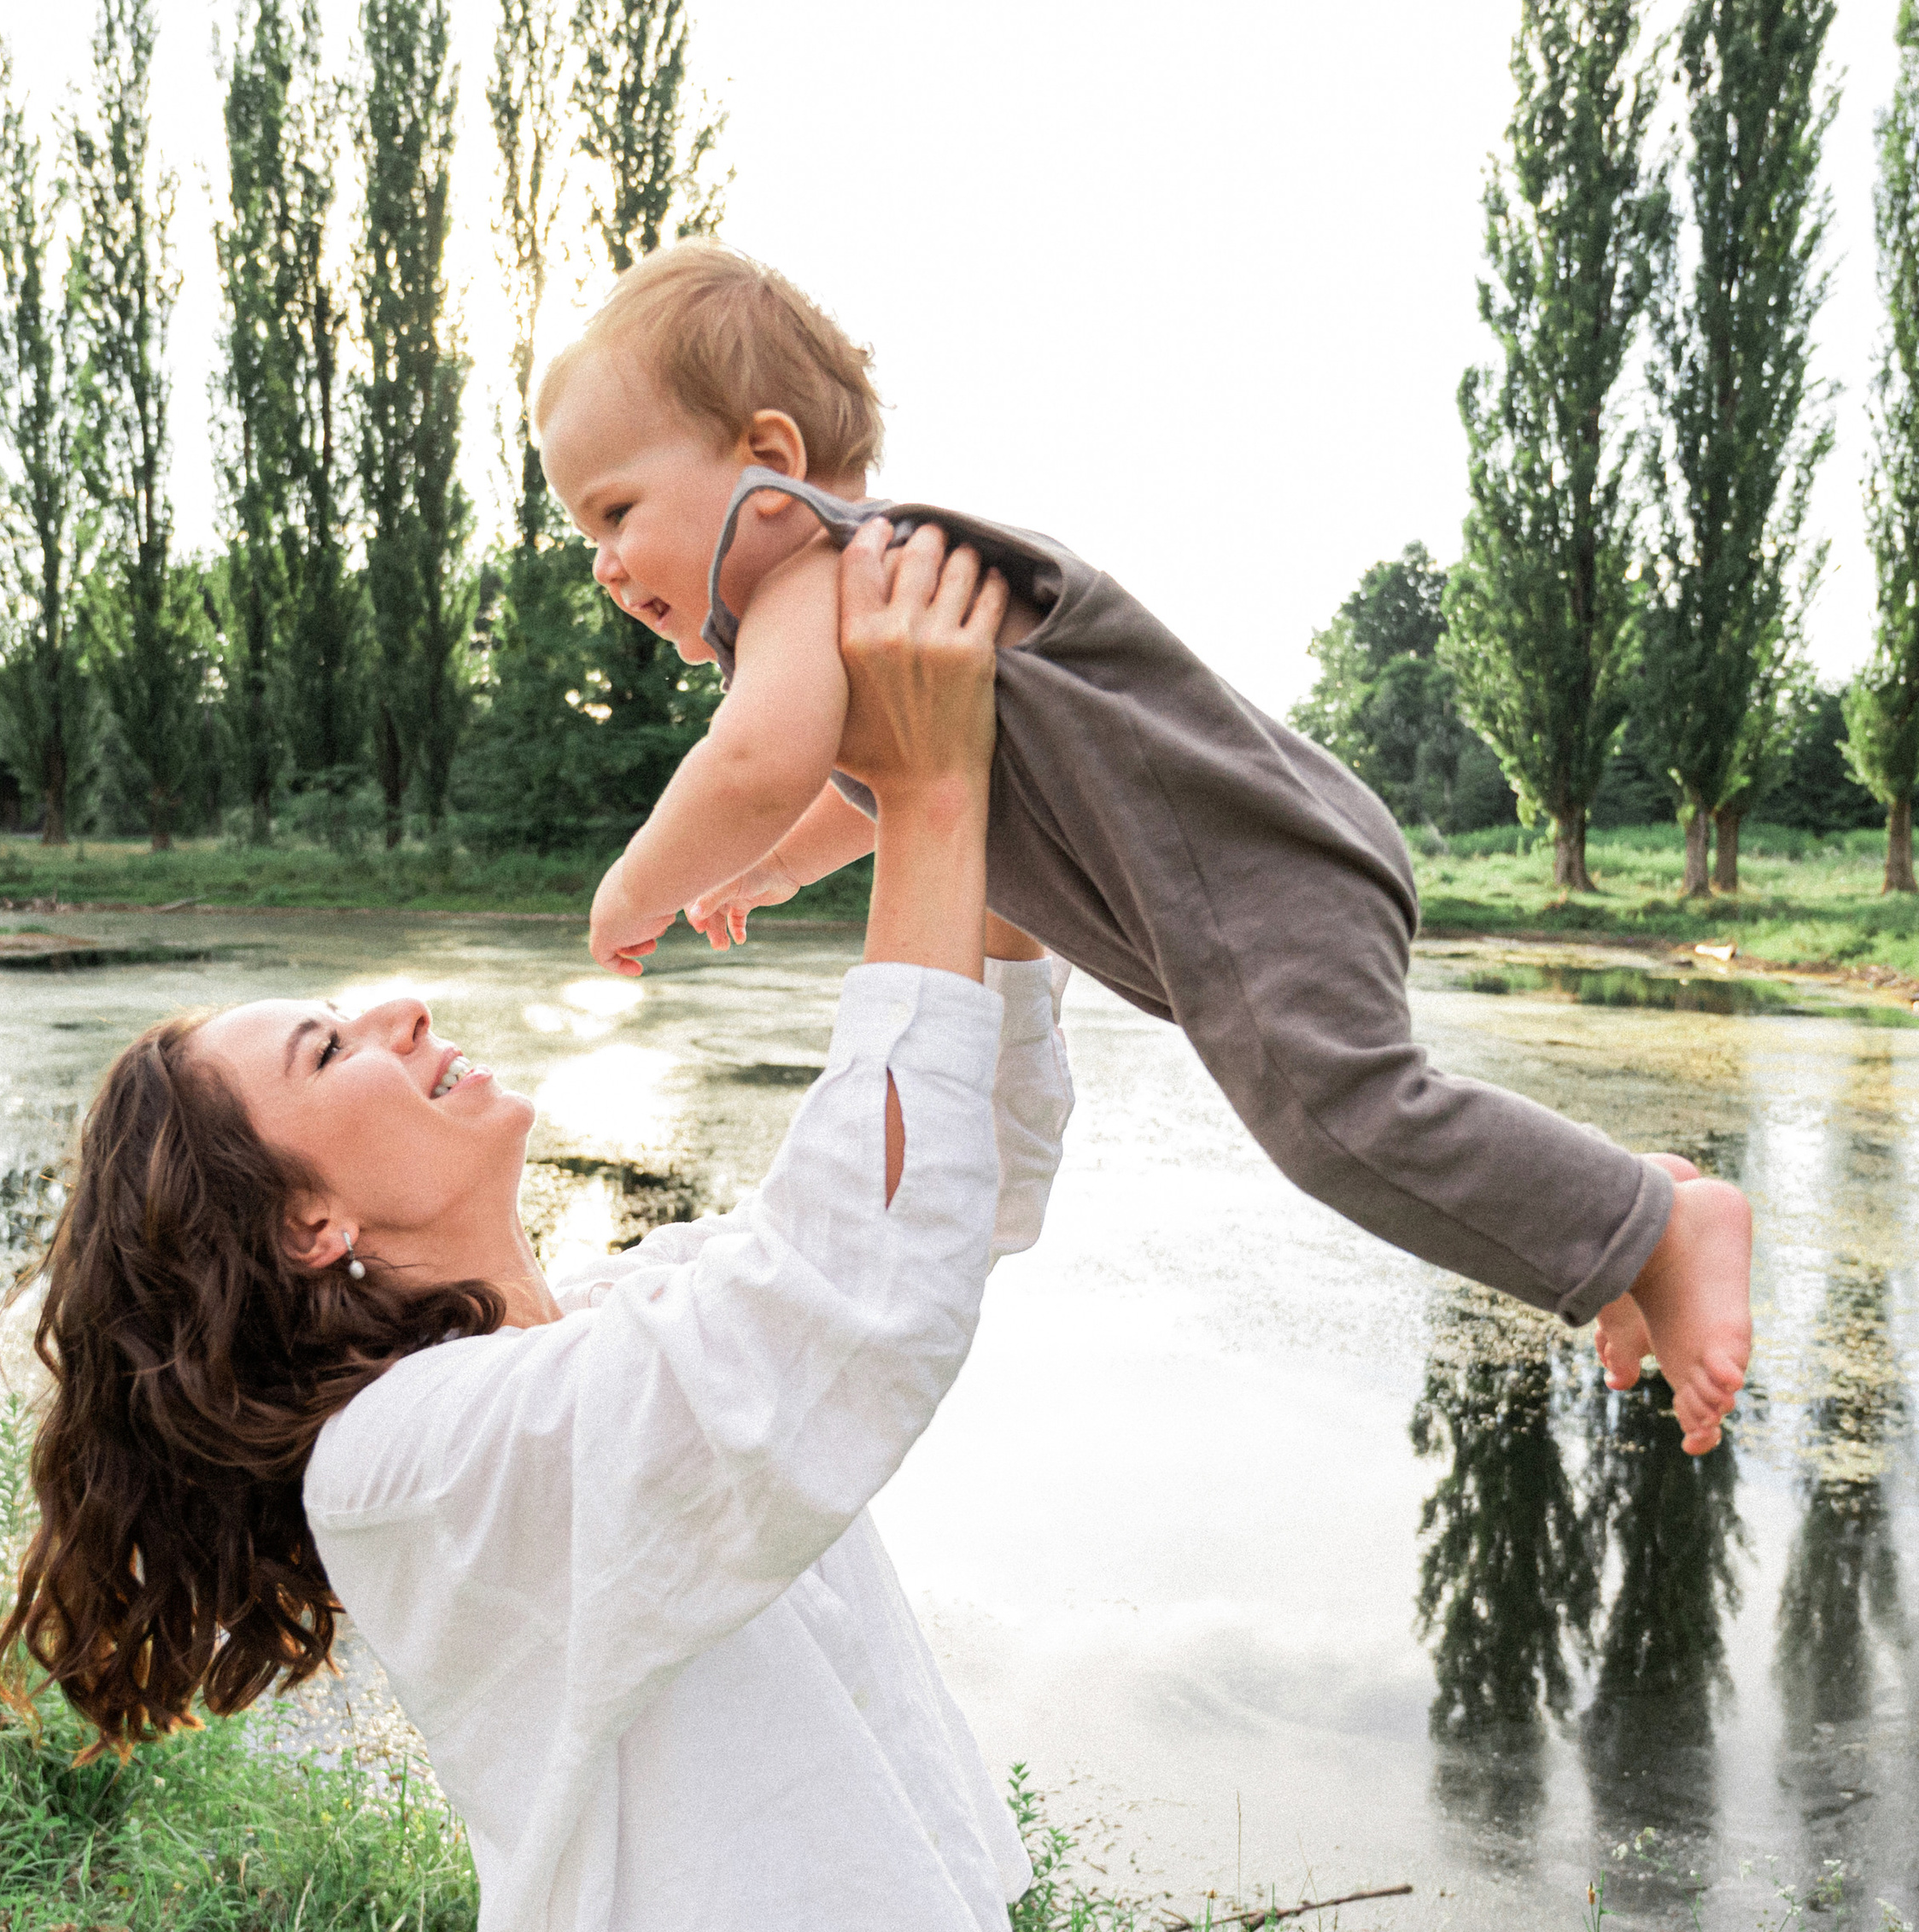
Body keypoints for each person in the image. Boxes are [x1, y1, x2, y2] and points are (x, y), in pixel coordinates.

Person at [0, 524, 1079, 1932]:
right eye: (331, 1046)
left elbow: (957, 1194)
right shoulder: (408, 1462)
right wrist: (926, 807)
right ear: (302, 1228)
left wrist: (959, 817)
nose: (406, 1011)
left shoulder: (613, 1320)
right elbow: (852, 1298)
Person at [535, 239, 1752, 1458]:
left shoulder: (822, 573)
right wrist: (776, 869)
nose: (603, 564)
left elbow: (757, 762)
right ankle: (1627, 1223)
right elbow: (877, 782)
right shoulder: (874, 590)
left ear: (767, 460)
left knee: (1337, 1121)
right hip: (1280, 856)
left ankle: (1651, 1227)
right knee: (1362, 1109)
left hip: (1265, 872)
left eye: (617, 511)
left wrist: (638, 885)